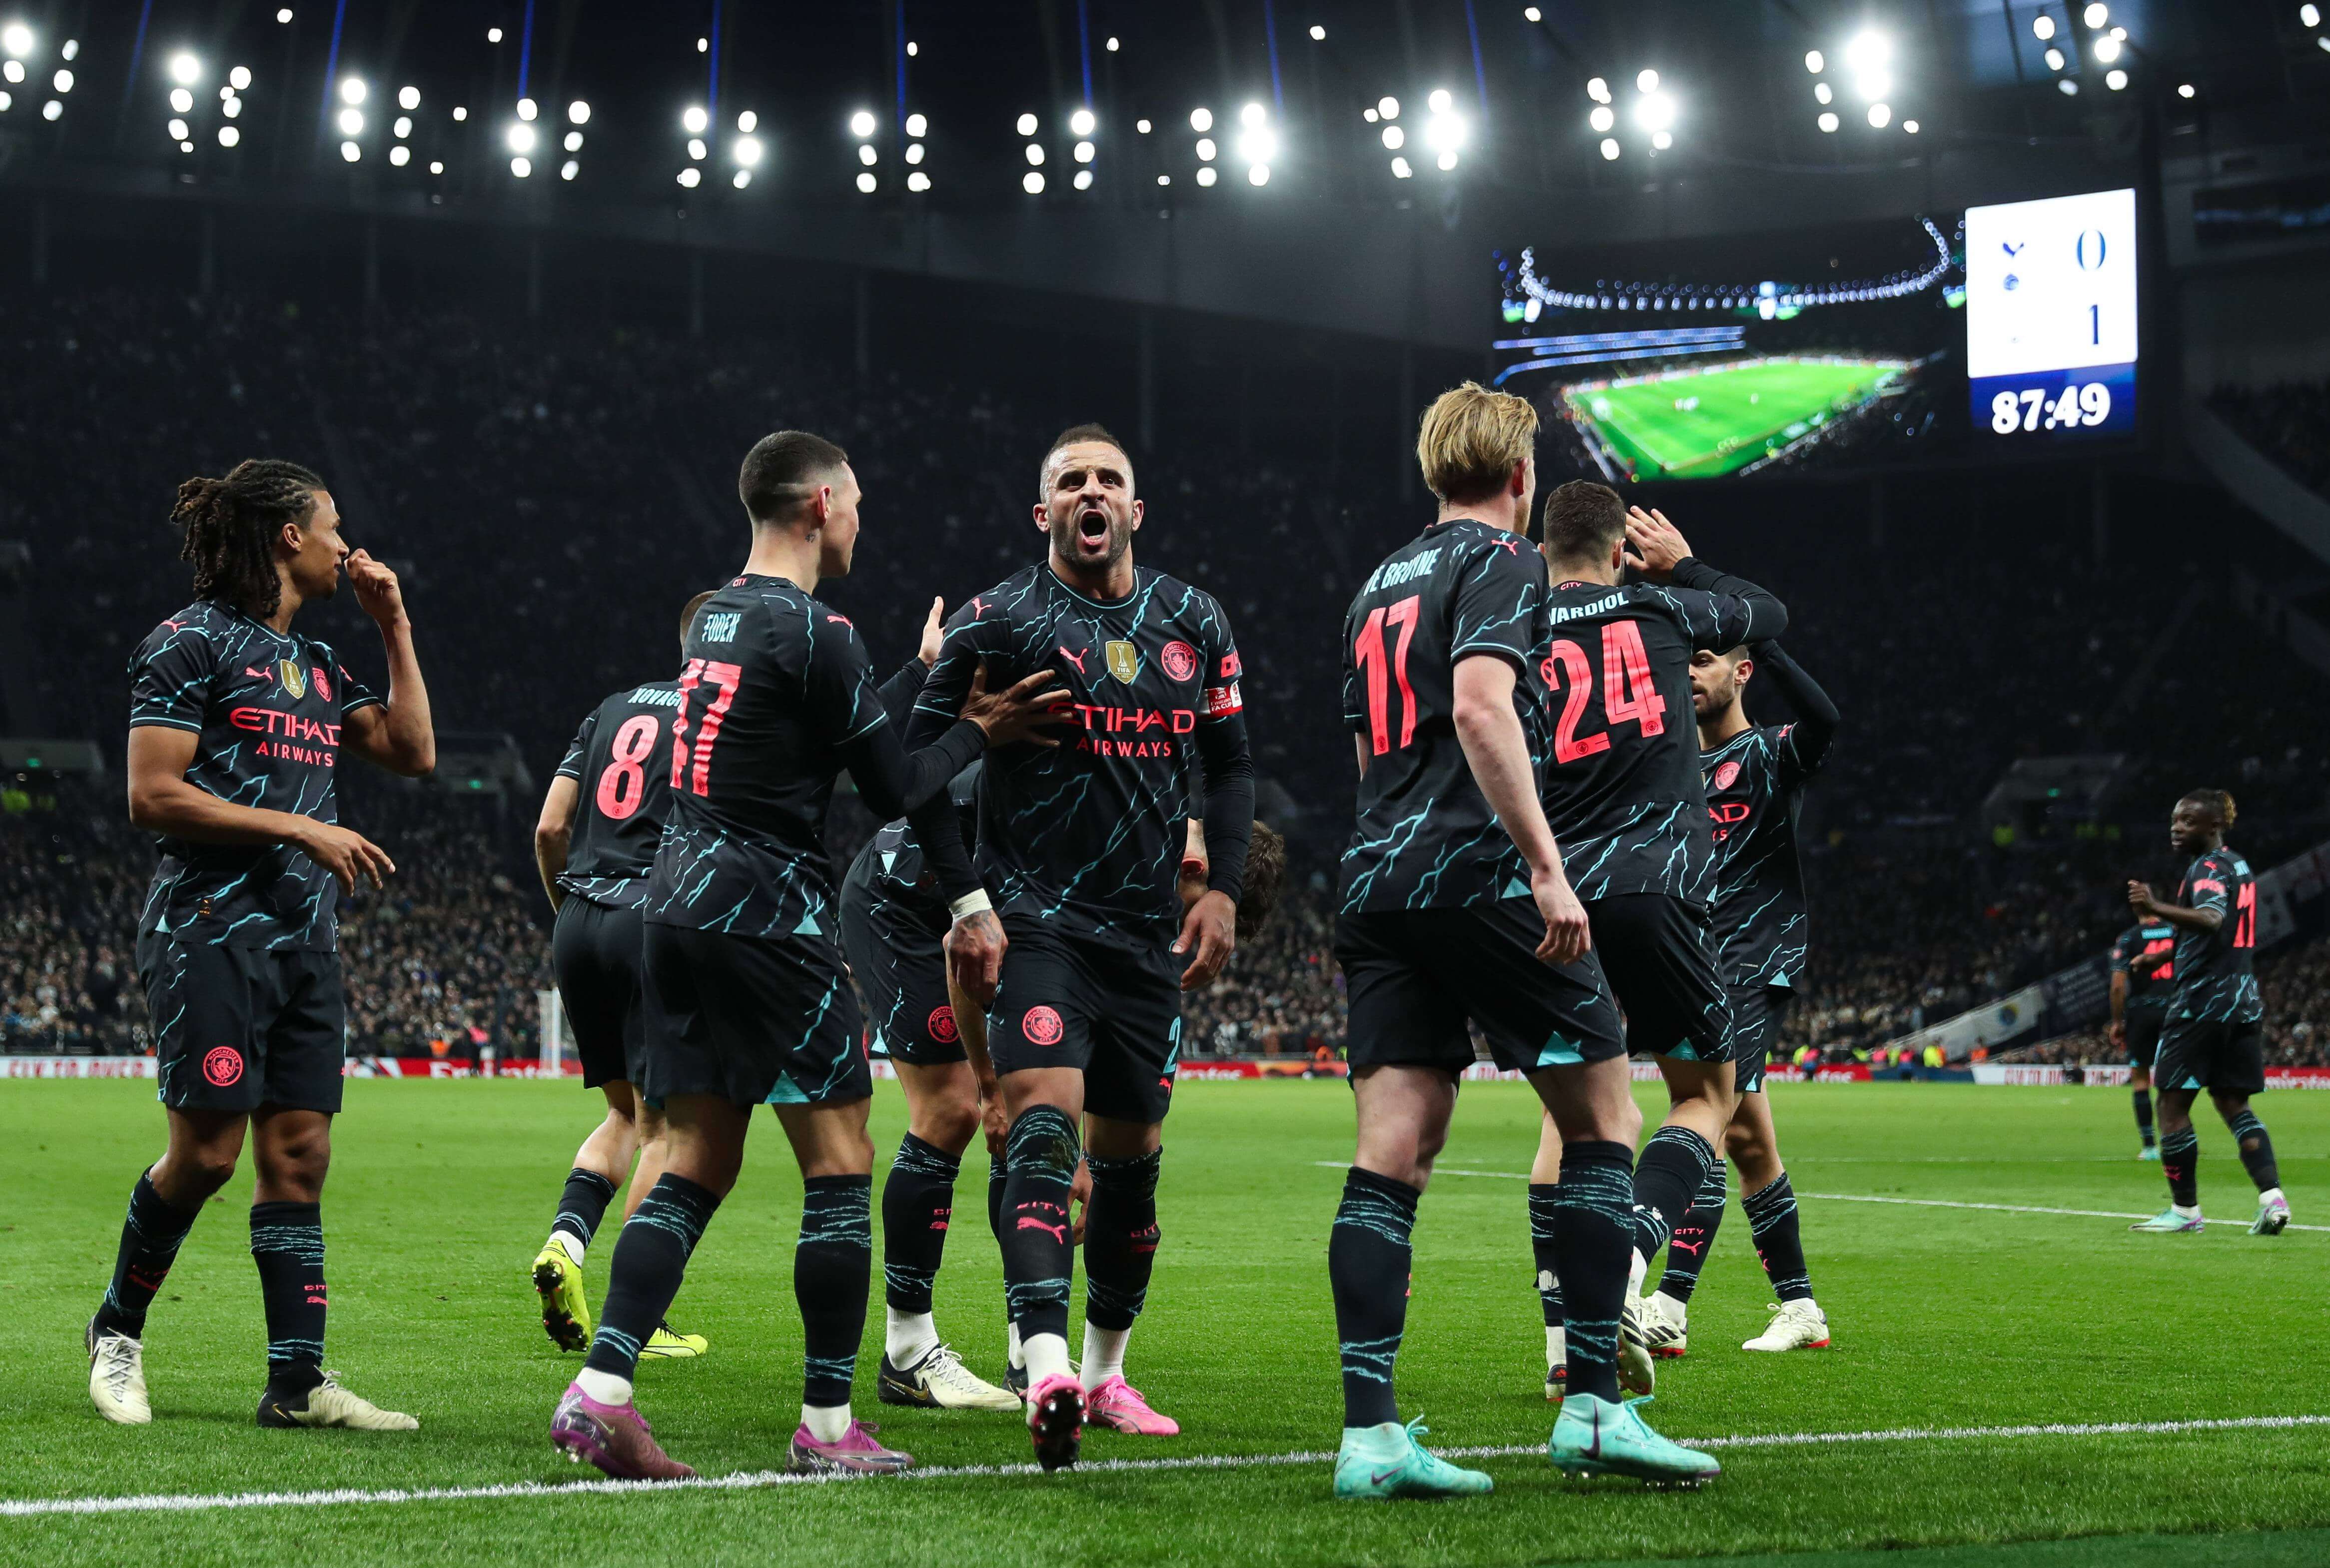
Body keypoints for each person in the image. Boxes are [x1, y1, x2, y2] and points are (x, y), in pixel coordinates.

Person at [547, 431, 1064, 1481]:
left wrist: (921, 693)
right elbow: (893, 790)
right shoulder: (817, 629)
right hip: (765, 920)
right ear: (823, 504)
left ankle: (601, 1392)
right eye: (860, 503)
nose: (864, 521)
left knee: (697, 1158)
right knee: (840, 1165)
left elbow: (823, 744)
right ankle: (828, 1430)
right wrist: (980, 730)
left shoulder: (720, 620)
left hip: (672, 909)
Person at [1327, 384, 1715, 1499]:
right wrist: (1546, 869)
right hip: (1478, 874)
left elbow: (1368, 753)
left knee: (1391, 1150)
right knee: (1606, 1118)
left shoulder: (1374, 585)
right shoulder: (1502, 563)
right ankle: (1594, 1405)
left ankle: (1371, 1436)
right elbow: (1485, 709)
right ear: (1520, 479)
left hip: (1378, 875)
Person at [905, 424, 1255, 1471]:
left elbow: (1231, 770)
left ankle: (1104, 1377)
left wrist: (1225, 892)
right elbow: (912, 771)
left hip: (1147, 939)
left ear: (1135, 511)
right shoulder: (995, 620)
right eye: (1071, 482)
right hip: (1038, 922)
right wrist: (970, 900)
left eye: (1109, 480)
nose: (1091, 492)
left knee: (1133, 1172)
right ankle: (1045, 1363)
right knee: (1043, 1136)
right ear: (1043, 512)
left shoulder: (1196, 621)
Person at [86, 460, 435, 1430]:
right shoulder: (187, 642)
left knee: (300, 1153)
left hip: (303, 943)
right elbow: (150, 794)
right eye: (333, 526)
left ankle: (296, 1385)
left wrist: (393, 624)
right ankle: (116, 1330)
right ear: (289, 536)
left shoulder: (317, 668)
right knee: (205, 1155)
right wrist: (299, 830)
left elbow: (415, 752)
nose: (345, 543)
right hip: (208, 933)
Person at [844, 791, 1286, 1411]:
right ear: (1193, 873)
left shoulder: (1138, 842)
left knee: (1028, 1117)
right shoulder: (1103, 833)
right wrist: (992, 1088)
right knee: (955, 1112)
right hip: (905, 903)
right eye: (1182, 920)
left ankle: (1029, 1353)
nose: (1174, 935)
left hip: (991, 908)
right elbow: (971, 942)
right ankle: (908, 1353)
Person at [1523, 492, 1787, 1400]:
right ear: (1616, 547)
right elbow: (1771, 615)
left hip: (1550, 896)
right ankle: (1632, 1265)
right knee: (1705, 1095)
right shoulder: (1664, 609)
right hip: (1655, 885)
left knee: (1568, 1114)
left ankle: (1564, 1346)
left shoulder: (1507, 623)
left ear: (1541, 542)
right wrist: (1681, 565)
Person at [524, 591, 722, 1364]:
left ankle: (565, 1246)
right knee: (666, 1131)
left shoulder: (610, 708)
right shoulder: (713, 721)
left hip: (579, 917)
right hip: (652, 918)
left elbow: (548, 826)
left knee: (622, 1116)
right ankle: (633, 1313)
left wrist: (568, 911)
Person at [1637, 641, 1838, 1359]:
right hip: (1684, 959)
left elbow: (1825, 720)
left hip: (1749, 958)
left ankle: (1667, 1303)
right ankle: (1800, 1306)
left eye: (1703, 660)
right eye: (1680, 663)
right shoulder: (1667, 765)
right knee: (1749, 1137)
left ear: (1740, 670)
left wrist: (1768, 638)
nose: (1688, 674)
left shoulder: (1769, 752)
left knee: (1707, 1121)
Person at [2127, 791, 2289, 1236]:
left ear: (2214, 823)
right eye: (2174, 820)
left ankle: (2184, 1212)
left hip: (2202, 1002)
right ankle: (2272, 1200)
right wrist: (2159, 961)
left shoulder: (2209, 868)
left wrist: (2153, 907)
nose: (2176, 828)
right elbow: (2217, 931)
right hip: (2242, 998)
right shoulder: (2239, 865)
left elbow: (2212, 919)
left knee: (2172, 1104)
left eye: (2187, 821)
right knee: (2233, 1102)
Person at [2107, 896, 2177, 1161]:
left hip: (2142, 1013)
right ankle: (2177, 1139)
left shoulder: (2129, 938)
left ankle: (2149, 1147)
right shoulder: (2176, 931)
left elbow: (2117, 985)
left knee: (2140, 1079)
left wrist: (2117, 1021)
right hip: (2176, 1010)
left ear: (2136, 909)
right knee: (2174, 1080)